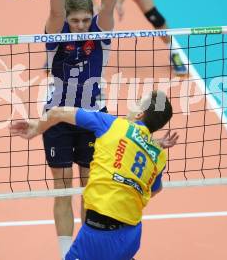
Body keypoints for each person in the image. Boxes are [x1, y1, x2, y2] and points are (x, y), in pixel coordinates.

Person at [10, 90, 178, 260]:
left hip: (100, 233)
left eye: (137, 101)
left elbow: (57, 112)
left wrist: (36, 129)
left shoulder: (113, 125)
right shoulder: (159, 155)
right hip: (132, 234)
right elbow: (156, 189)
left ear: (140, 114)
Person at [43, 0, 134, 259]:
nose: (81, 25)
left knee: (89, 187)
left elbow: (107, 8)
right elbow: (55, 11)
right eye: (75, 20)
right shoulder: (56, 38)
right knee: (62, 189)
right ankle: (66, 253)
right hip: (58, 119)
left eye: (85, 19)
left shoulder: (100, 35)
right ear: (68, 19)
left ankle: (85, 251)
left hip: (94, 118)